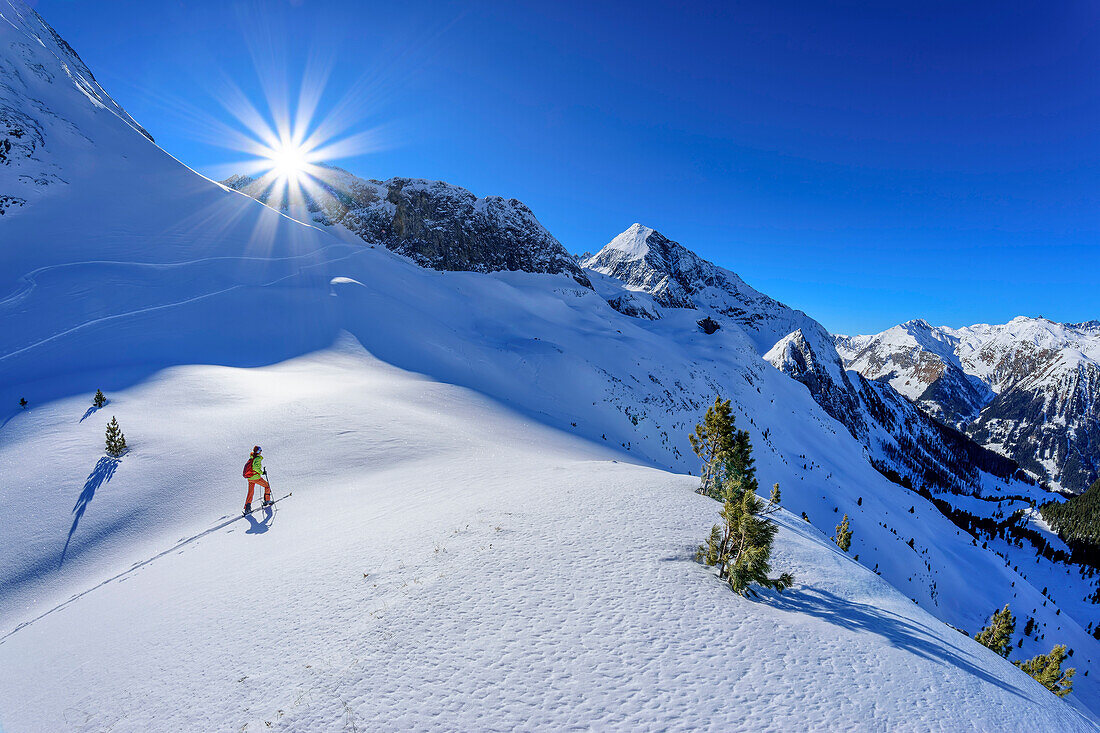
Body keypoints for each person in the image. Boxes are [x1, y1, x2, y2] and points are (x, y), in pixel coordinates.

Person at [244, 445, 272, 513]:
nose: (261, 451)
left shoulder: (252, 457)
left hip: (250, 478)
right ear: (257, 451)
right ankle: (267, 500)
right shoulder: (257, 458)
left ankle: (247, 508)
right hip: (255, 477)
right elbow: (255, 468)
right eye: (259, 450)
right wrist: (262, 472)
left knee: (250, 492)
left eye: (261, 450)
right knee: (267, 485)